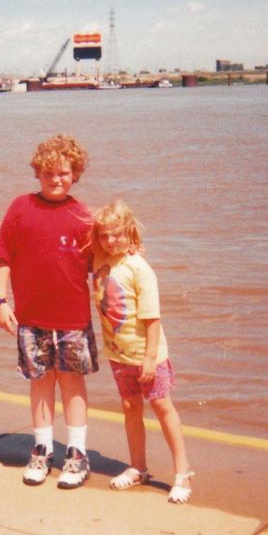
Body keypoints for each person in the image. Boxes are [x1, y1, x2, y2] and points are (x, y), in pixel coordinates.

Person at [0, 134, 97, 489]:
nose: (56, 179)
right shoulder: (20, 207)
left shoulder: (84, 216)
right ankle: (42, 450)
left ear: (75, 174)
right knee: (40, 382)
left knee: (72, 382)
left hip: (73, 319)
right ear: (38, 173)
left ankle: (77, 455)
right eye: (49, 173)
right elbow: (2, 256)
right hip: (31, 318)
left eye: (64, 173)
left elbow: (103, 266)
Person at [90, 199, 194, 504]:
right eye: (105, 235)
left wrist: (149, 359)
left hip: (148, 355)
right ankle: (138, 467)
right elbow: (82, 227)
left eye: (118, 234)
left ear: (130, 233)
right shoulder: (99, 259)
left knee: (162, 406)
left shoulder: (140, 269)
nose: (111, 241)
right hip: (119, 354)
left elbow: (152, 318)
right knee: (130, 407)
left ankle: (183, 472)